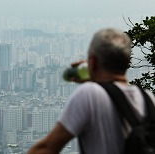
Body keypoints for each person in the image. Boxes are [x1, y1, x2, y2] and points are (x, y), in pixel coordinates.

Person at [27, 28, 155, 154]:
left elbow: (47, 148)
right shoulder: (148, 98)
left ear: (92, 62)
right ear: (127, 62)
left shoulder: (89, 94)